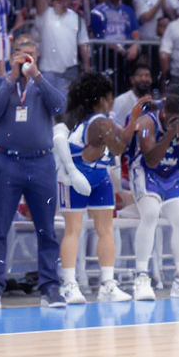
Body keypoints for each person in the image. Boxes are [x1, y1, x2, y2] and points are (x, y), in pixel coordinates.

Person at [0, 34, 68, 309]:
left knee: (46, 230)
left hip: (41, 164)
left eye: (30, 53)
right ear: (13, 56)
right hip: (8, 163)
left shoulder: (46, 81)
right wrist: (11, 77)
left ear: (37, 57)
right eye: (21, 53)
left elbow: (60, 106)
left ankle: (50, 288)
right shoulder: (2, 82)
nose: (26, 58)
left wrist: (37, 76)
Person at [57, 72, 140, 303]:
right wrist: (134, 121)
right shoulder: (99, 122)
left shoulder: (91, 120)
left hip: (98, 173)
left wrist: (131, 121)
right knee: (80, 230)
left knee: (89, 230)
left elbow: (110, 146)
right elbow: (117, 149)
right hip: (78, 176)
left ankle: (105, 284)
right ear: (103, 98)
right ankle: (73, 284)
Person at [128, 91, 179, 300]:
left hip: (171, 175)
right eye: (168, 116)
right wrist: (170, 134)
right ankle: (141, 276)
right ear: (162, 112)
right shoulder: (146, 123)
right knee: (151, 213)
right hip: (145, 172)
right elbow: (151, 160)